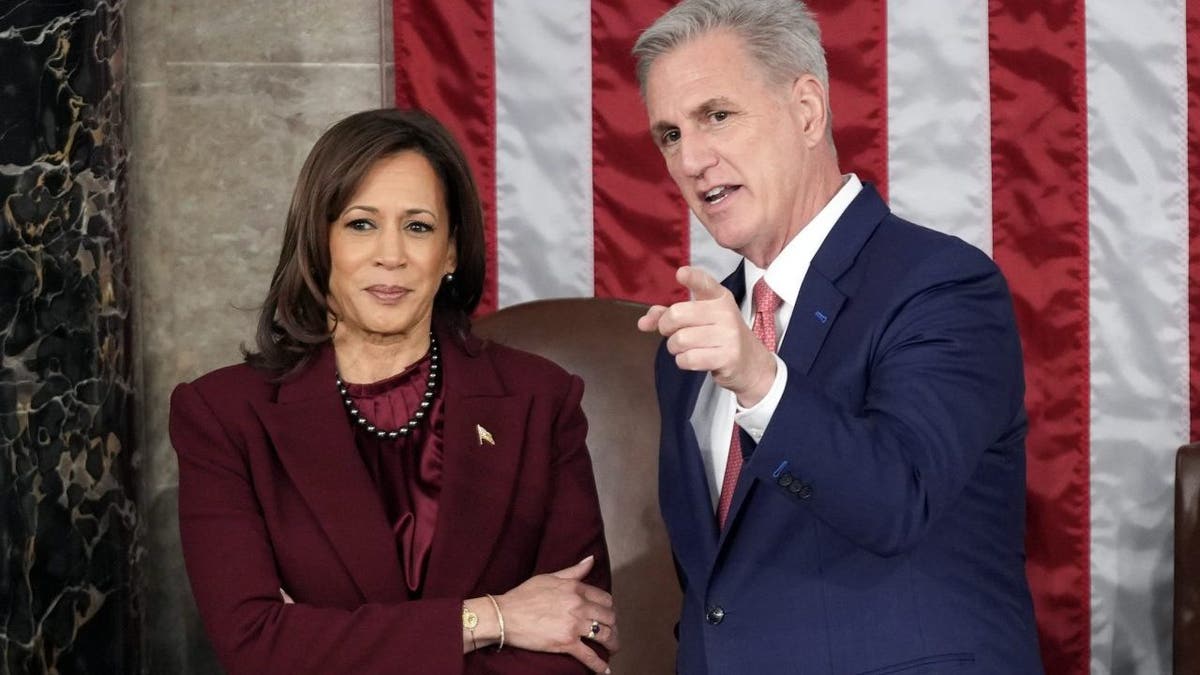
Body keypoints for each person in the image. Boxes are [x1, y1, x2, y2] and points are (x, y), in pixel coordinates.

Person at [632, 1, 1044, 673]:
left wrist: (760, 382)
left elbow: (899, 497)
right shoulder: (693, 345)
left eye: (717, 115)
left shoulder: (943, 287)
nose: (692, 158)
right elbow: (717, 595)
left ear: (806, 109)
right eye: (669, 134)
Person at [169, 108, 618, 675]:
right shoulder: (223, 416)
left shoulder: (541, 398)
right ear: (319, 241)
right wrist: (492, 618)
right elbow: (256, 645)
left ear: (450, 251)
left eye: (418, 226)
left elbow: (579, 633)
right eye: (361, 223)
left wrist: (328, 641)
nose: (392, 254)